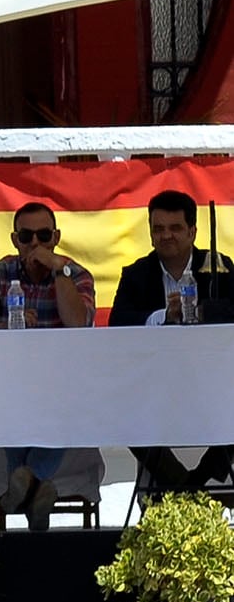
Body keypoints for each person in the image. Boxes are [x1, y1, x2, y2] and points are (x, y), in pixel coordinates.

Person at [0, 201, 97, 528]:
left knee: (69, 400)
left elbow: (79, 324)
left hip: (61, 383)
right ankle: (36, 489)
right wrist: (2, 325)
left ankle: (23, 485)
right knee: (4, 400)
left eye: (43, 236)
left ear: (56, 237)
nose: (35, 244)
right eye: (26, 236)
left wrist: (58, 270)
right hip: (9, 382)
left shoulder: (76, 274)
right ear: (14, 239)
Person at [108, 189, 234, 490]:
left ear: (193, 231)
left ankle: (191, 485)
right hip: (155, 385)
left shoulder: (219, 265)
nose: (166, 236)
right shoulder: (136, 274)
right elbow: (119, 324)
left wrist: (201, 311)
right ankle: (188, 489)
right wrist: (165, 316)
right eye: (158, 229)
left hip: (214, 384)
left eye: (175, 228)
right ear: (150, 234)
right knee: (118, 412)